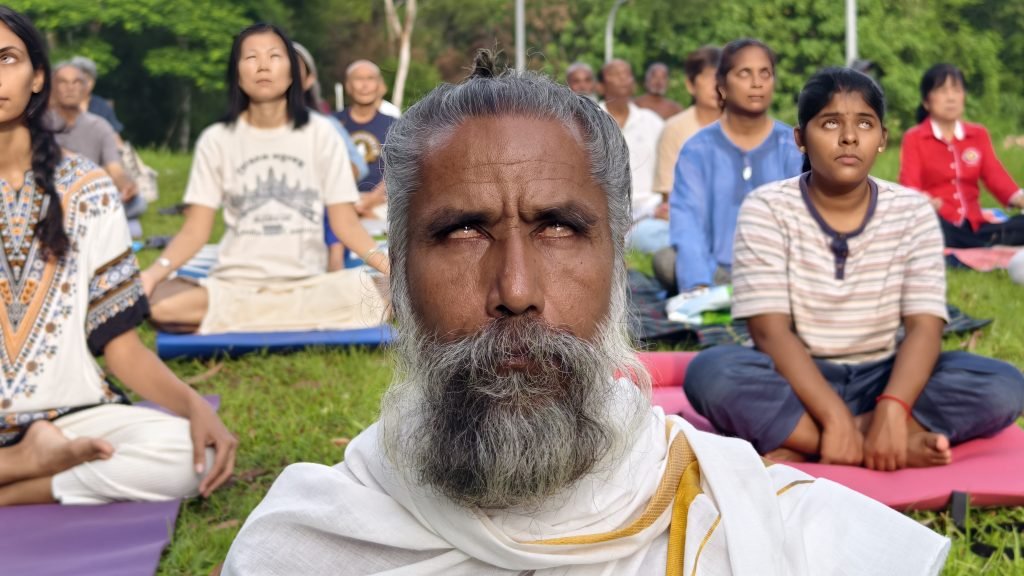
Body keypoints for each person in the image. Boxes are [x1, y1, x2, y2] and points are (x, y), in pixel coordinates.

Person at [221, 50, 950, 576]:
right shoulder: (314, 538)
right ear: (398, 278)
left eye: (560, 228)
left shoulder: (762, 522)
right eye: (461, 230)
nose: (515, 289)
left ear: (616, 261)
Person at [684, 67, 1024, 471]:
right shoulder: (767, 207)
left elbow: (924, 327)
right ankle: (867, 442)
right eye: (830, 123)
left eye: (864, 123)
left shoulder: (911, 211)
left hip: (888, 374)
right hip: (796, 377)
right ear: (800, 139)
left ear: (882, 138)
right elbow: (768, 331)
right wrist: (833, 415)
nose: (849, 137)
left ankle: (827, 439)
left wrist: (894, 409)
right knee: (712, 373)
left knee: (1004, 385)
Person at [0, 5, 236, 506]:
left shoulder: (87, 189)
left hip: (73, 414)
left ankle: (24, 483)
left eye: (6, 58)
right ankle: (19, 468)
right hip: (34, 443)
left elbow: (119, 344)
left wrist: (194, 406)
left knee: (191, 457)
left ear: (37, 76)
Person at [141, 23, 389, 335]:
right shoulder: (216, 139)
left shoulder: (321, 133)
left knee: (392, 292)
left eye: (274, 56)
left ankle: (248, 318)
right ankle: (293, 316)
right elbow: (195, 230)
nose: (263, 65)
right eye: (251, 58)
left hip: (309, 284)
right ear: (237, 73)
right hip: (236, 285)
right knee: (159, 303)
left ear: (291, 73)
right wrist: (152, 275)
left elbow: (345, 224)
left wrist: (391, 271)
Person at [654, 39, 802, 295]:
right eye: (745, 73)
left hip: (780, 271)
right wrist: (699, 284)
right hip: (717, 270)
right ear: (722, 85)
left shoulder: (791, 145)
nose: (757, 83)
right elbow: (688, 221)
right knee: (666, 261)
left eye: (764, 73)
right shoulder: (697, 149)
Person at [899, 63, 1024, 247]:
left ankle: (981, 241)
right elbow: (910, 187)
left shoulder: (978, 134)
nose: (951, 98)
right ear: (926, 102)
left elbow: (995, 176)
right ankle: (983, 243)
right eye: (942, 91)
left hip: (975, 224)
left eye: (956, 90)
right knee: (928, 229)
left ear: (964, 96)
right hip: (939, 223)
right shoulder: (914, 138)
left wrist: (1019, 199)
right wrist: (926, 202)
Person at [49, 60, 144, 221]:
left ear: (86, 88)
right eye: (63, 82)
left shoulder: (100, 126)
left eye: (77, 82)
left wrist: (127, 185)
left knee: (138, 203)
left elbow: (115, 169)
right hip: (51, 192)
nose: (70, 87)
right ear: (52, 87)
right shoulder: (38, 125)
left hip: (90, 194)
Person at [327, 60, 395, 271]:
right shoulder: (331, 123)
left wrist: (371, 199)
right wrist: (348, 201)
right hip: (338, 200)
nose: (364, 85)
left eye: (370, 79)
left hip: (381, 202)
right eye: (358, 79)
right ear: (348, 86)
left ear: (379, 86)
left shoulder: (393, 124)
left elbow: (397, 169)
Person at [598, 59, 666, 253]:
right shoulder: (588, 120)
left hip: (650, 213)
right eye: (615, 74)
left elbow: (669, 169)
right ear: (601, 85)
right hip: (605, 213)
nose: (622, 79)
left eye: (627, 74)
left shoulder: (652, 122)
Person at [292, 41, 368, 184]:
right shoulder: (239, 125)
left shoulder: (326, 126)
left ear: (309, 80)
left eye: (294, 67)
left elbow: (359, 167)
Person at [652, 47, 722, 200]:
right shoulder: (675, 129)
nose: (716, 85)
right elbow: (669, 195)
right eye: (709, 77)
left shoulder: (746, 126)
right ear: (691, 85)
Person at [69, 55, 124, 135]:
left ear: (93, 82)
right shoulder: (57, 104)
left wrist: (123, 147)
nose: (84, 84)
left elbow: (114, 136)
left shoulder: (102, 106)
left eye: (87, 79)